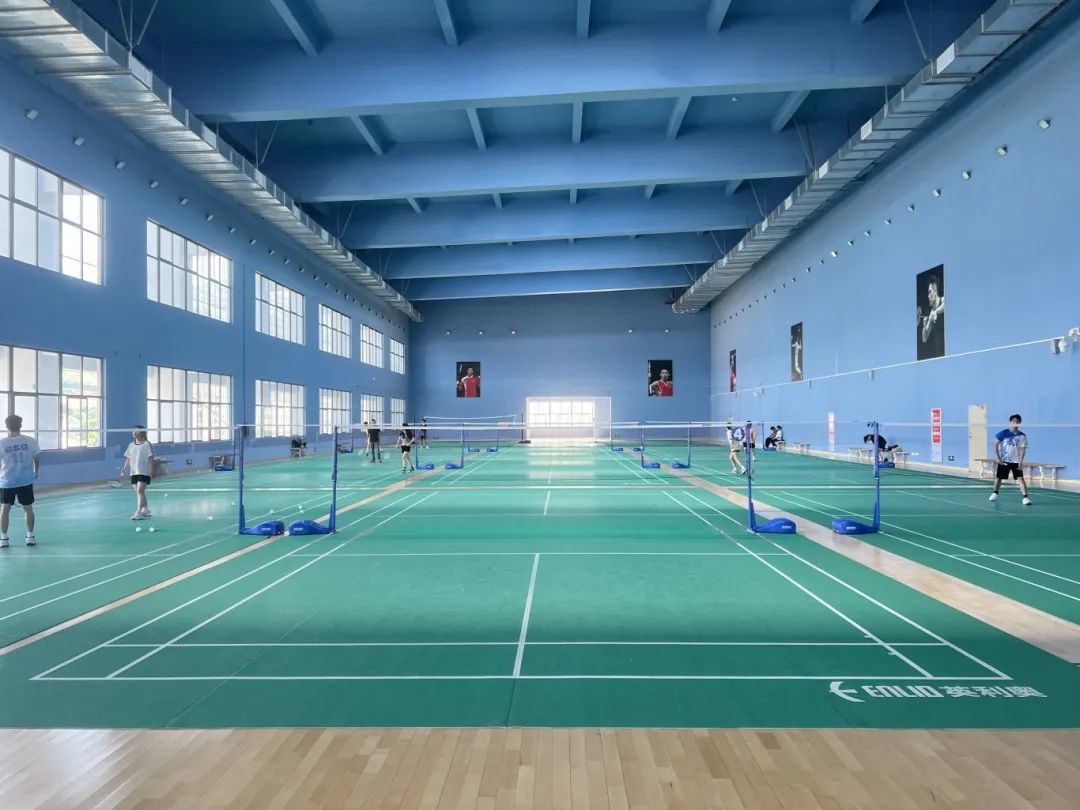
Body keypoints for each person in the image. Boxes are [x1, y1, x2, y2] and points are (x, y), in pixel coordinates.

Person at [0, 415, 40, 548]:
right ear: (20, 425)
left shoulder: (2, 443)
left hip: (7, 481)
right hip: (25, 480)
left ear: (7, 426)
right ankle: (30, 536)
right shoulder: (31, 441)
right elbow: (36, 458)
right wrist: (36, 471)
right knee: (28, 508)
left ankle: (4, 539)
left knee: (5, 508)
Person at [990, 413, 1031, 506]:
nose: (1015, 422)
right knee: (999, 478)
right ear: (1010, 422)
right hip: (1004, 461)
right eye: (1013, 421)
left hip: (1016, 462)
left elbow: (1023, 449)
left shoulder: (1022, 436)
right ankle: (995, 493)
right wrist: (998, 458)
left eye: (1017, 421)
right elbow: (995, 444)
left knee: (1021, 479)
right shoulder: (1003, 433)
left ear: (1019, 423)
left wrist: (1021, 461)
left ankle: (1025, 498)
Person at [120, 425, 155, 520]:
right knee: (139, 491)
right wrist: (124, 468)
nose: (134, 432)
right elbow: (128, 458)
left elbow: (151, 458)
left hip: (144, 471)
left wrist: (151, 470)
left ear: (141, 433)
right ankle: (145, 509)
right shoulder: (131, 445)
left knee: (139, 490)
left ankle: (138, 512)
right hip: (133, 471)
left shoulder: (147, 444)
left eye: (136, 431)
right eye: (133, 431)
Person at [918, 274, 945, 359]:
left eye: (930, 292)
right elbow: (924, 338)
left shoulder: (943, 300)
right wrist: (924, 324)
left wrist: (936, 312)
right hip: (939, 354)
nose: (928, 296)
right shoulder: (931, 313)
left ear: (935, 290)